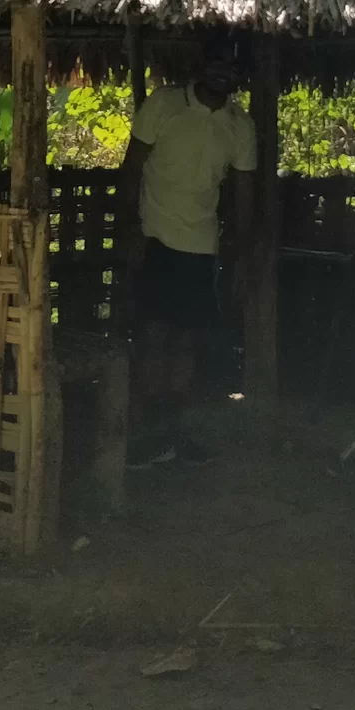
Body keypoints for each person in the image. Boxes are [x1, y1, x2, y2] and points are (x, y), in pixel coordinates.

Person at [122, 44, 257, 467]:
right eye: (216, 63)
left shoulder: (240, 126)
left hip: (201, 247)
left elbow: (244, 196)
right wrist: (130, 230)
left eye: (232, 68)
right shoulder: (164, 104)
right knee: (152, 338)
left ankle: (174, 437)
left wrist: (239, 253)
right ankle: (141, 436)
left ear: (239, 78)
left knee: (185, 343)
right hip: (155, 238)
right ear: (199, 65)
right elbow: (132, 168)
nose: (222, 74)